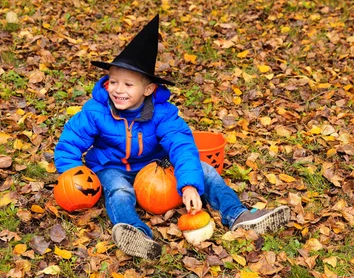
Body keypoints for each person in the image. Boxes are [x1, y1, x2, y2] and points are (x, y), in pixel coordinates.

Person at [54, 15, 290, 259]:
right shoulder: (96, 110)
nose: (118, 89)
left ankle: (238, 214)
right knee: (118, 189)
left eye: (128, 84)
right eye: (113, 82)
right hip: (111, 167)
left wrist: (188, 184)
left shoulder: (163, 114)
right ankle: (134, 232)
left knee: (206, 170)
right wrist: (72, 176)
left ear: (148, 89)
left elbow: (181, 145)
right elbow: (70, 140)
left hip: (155, 168)